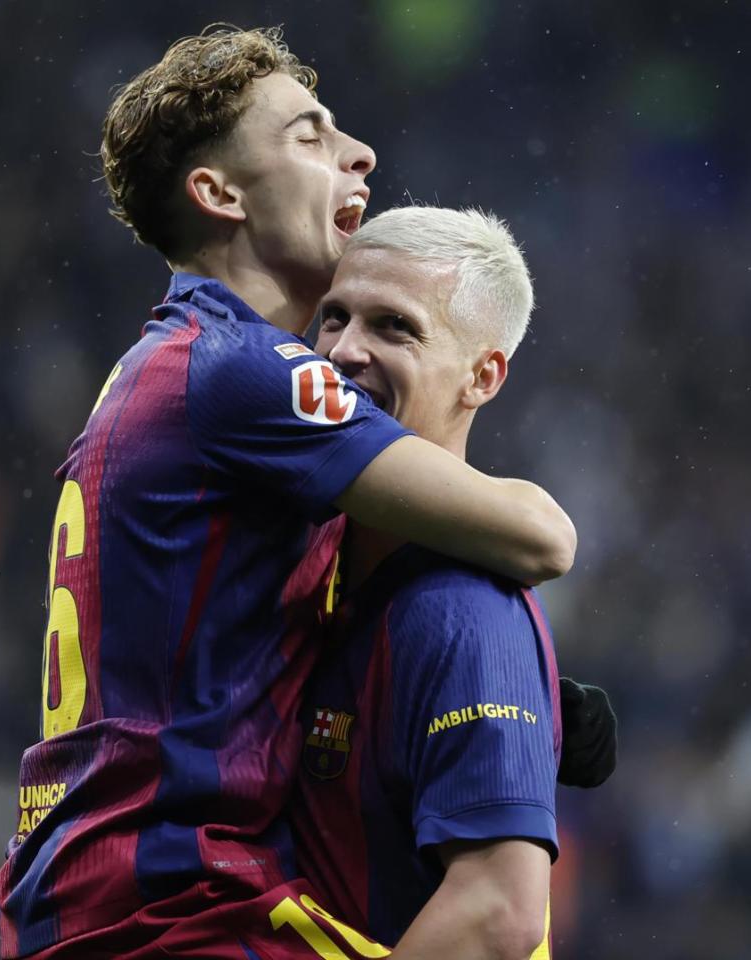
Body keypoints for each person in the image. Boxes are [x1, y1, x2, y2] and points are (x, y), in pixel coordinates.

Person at [0, 27, 577, 959]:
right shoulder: (245, 369)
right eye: (310, 135)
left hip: (91, 893)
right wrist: (501, 655)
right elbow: (543, 538)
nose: (359, 154)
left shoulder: (158, 368)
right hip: (177, 910)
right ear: (220, 194)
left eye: (392, 324)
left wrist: (502, 708)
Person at [292, 207, 596, 958]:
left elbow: (497, 913)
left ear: (482, 376)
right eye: (333, 317)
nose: (344, 350)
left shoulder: (463, 612)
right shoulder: (313, 560)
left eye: (394, 327)